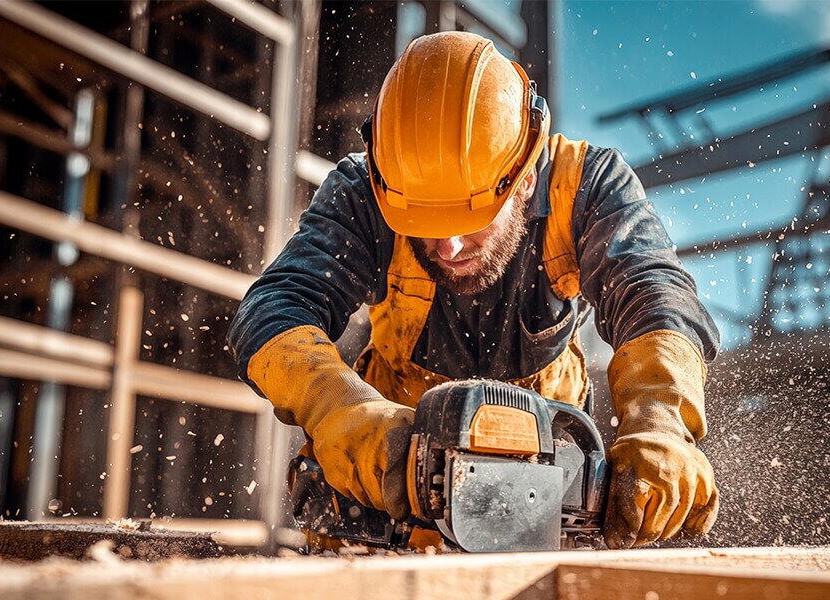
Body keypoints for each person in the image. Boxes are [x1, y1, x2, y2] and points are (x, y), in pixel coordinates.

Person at [230, 31, 720, 549]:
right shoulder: (367, 189)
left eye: (472, 216)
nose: (449, 245)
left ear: (525, 179)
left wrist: (661, 422)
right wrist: (339, 409)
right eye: (424, 219)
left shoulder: (587, 186)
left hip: (546, 487)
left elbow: (656, 295)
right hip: (391, 486)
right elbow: (273, 309)